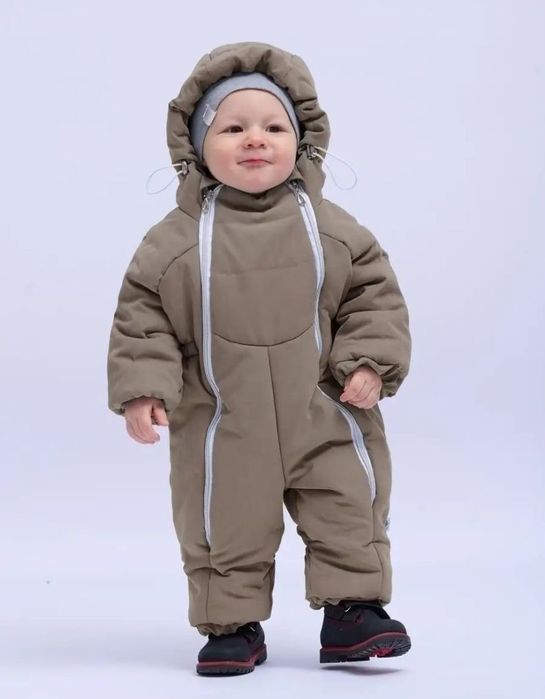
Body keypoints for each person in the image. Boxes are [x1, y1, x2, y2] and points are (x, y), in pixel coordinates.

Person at [107, 41, 412, 676]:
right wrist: (144, 388)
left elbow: (372, 296)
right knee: (224, 520)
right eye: (233, 128)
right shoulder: (174, 242)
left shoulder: (333, 229)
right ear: (197, 146)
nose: (255, 139)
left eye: (274, 127)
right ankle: (232, 625)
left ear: (302, 140)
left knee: (346, 502)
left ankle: (354, 613)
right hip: (224, 419)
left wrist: (368, 362)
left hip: (323, 408)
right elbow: (144, 316)